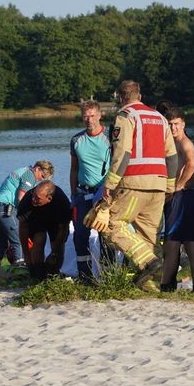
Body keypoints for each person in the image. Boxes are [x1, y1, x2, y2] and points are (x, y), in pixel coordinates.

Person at [87, 80, 178, 289]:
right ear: (140, 95)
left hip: (134, 182)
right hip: (159, 184)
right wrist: (170, 187)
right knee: (149, 233)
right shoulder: (159, 118)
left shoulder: (125, 116)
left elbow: (122, 153)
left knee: (111, 224)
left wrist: (109, 184)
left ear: (120, 97)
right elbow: (172, 156)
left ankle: (149, 263)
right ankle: (148, 283)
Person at [159, 106, 194, 292]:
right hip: (185, 196)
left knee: (174, 242)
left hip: (183, 196)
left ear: (183, 124)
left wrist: (179, 185)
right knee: (187, 243)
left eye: (176, 124)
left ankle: (166, 285)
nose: (173, 128)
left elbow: (192, 164)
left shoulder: (185, 143)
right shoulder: (170, 142)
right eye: (170, 124)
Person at [69, 100, 111, 281]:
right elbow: (74, 168)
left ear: (100, 115)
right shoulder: (76, 140)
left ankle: (108, 274)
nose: (89, 119)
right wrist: (73, 193)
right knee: (80, 235)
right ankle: (84, 276)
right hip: (82, 193)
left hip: (104, 193)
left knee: (106, 235)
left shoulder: (110, 137)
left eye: (93, 115)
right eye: (86, 116)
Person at [0, 160, 54, 268]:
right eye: (42, 176)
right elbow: (21, 199)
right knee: (19, 239)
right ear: (37, 169)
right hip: (5, 208)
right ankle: (20, 268)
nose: (41, 180)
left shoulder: (23, 170)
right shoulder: (30, 175)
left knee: (1, 241)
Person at [16, 180, 72, 279]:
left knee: (58, 247)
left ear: (49, 198)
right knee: (39, 239)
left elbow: (63, 228)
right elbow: (23, 228)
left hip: (56, 220)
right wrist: (26, 255)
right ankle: (37, 274)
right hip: (36, 217)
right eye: (33, 195)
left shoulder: (62, 202)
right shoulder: (28, 200)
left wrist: (54, 252)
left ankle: (53, 275)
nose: (33, 199)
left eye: (37, 199)